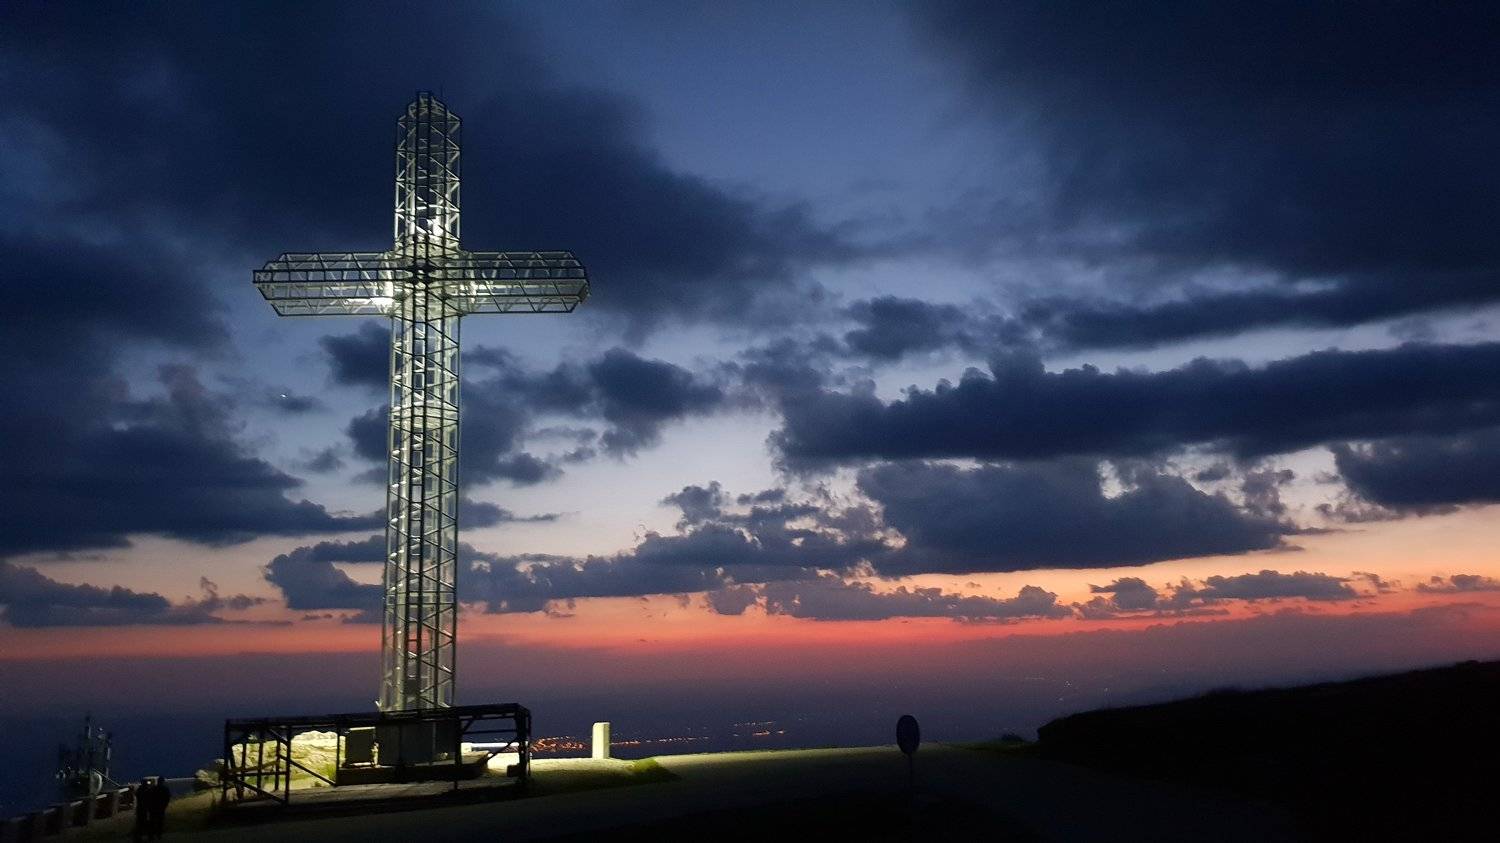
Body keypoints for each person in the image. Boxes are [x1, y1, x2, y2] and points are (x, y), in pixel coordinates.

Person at [148, 776, 172, 840]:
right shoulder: (165, 789)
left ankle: (151, 835)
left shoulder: (153, 788)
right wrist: (165, 805)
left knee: (152, 822)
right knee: (160, 822)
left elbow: (149, 798)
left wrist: (150, 807)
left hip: (153, 807)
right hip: (161, 807)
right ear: (163, 782)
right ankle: (159, 835)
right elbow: (168, 798)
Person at [131, 778, 152, 843]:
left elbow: (136, 794)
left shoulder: (140, 790)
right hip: (145, 809)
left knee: (139, 823)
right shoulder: (147, 790)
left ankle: (138, 837)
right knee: (146, 823)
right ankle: (148, 836)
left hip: (140, 809)